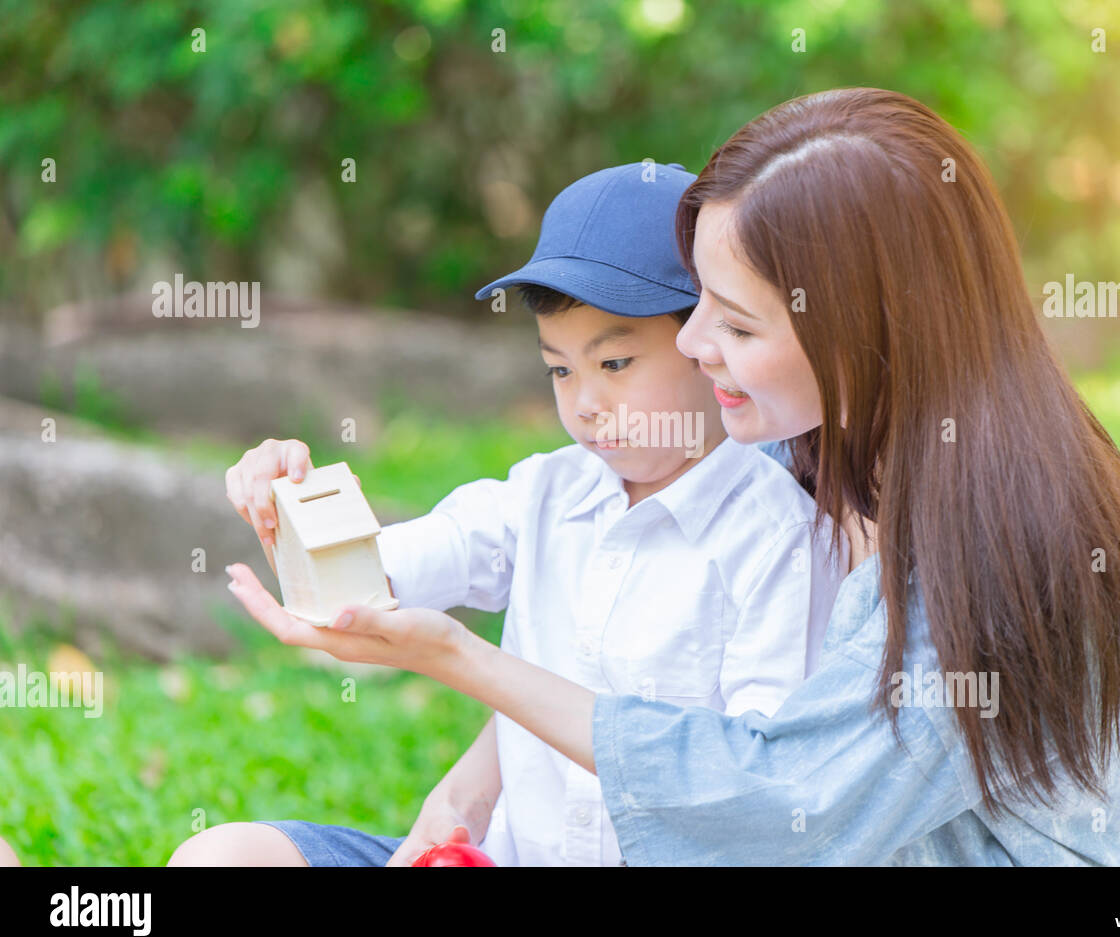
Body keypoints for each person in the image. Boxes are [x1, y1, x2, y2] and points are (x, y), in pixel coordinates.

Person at [222, 87, 1120, 864]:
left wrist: (460, 658)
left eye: (733, 323)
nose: (692, 344)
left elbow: (774, 808)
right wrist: (302, 515)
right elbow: (564, 619)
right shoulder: (802, 445)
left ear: (858, 329)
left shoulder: (1007, 551)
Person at [170, 162, 843, 867]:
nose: (584, 402)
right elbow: (382, 575)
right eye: (560, 370)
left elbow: (753, 785)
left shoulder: (776, 538)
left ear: (705, 345)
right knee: (222, 857)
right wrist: (294, 505)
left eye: (614, 364)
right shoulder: (543, 495)